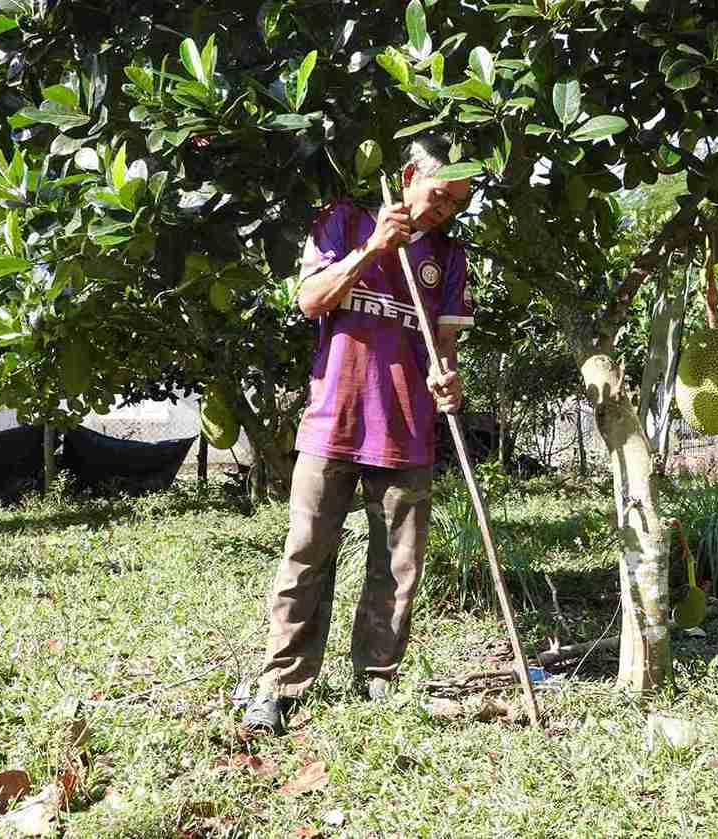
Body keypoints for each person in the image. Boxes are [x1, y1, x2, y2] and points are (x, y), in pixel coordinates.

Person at [243, 135, 474, 734]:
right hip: (333, 423)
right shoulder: (342, 220)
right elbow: (311, 301)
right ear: (407, 176)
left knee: (398, 567)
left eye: (454, 205)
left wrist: (447, 381)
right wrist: (373, 249)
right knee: (306, 556)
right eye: (438, 196)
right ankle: (280, 682)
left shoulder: (449, 257)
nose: (442, 211)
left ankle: (377, 679)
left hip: (406, 430)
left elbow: (440, 352)